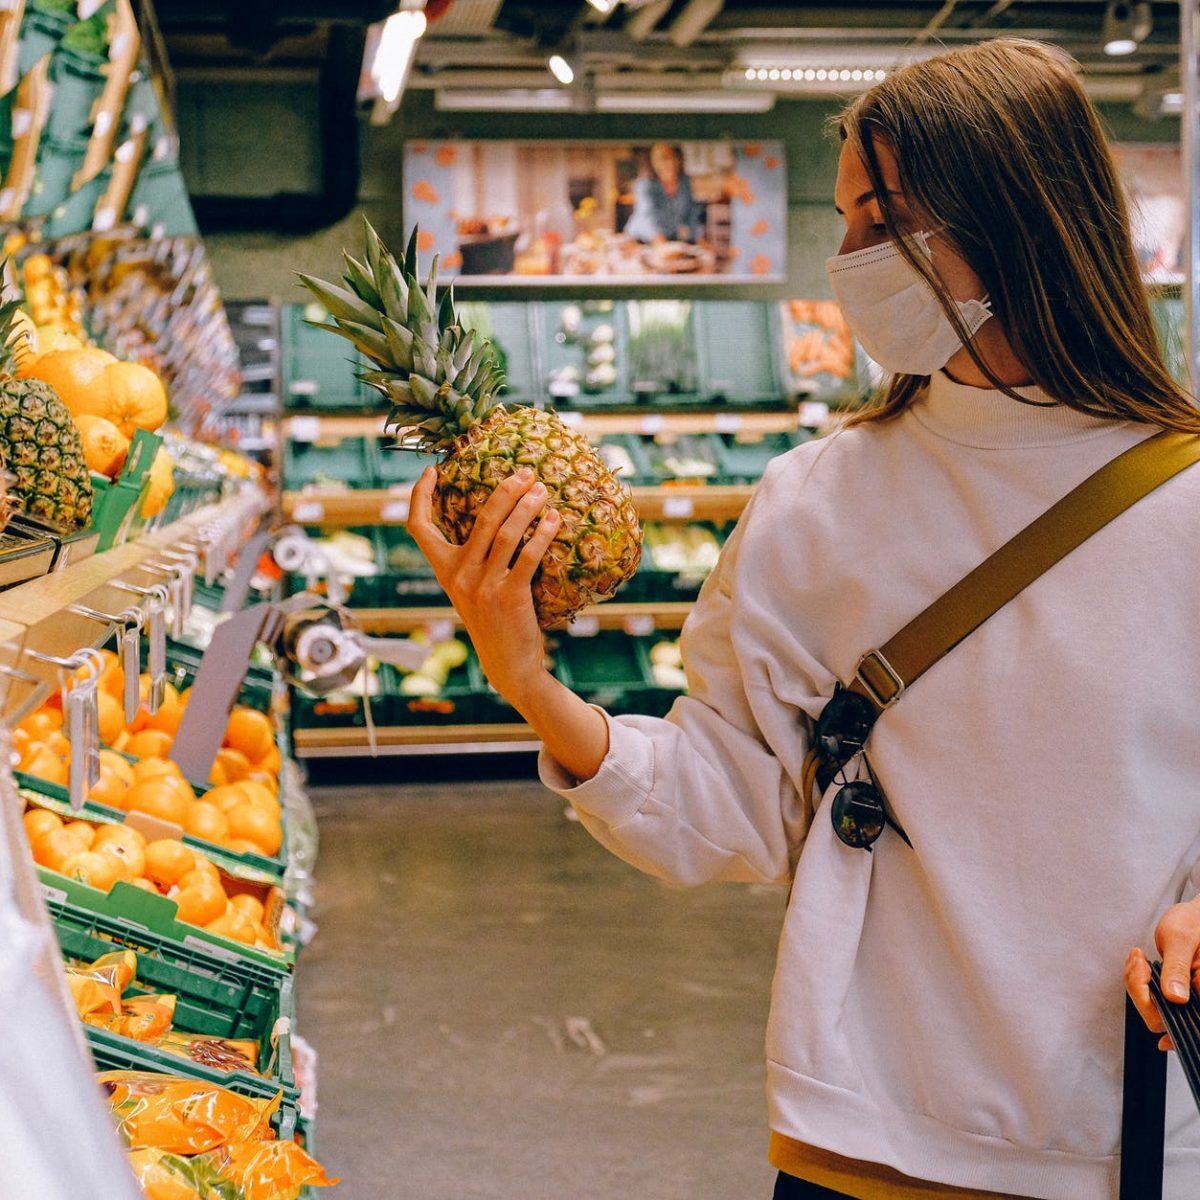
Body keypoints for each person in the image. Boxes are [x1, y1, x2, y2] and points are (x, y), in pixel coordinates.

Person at [408, 38, 1200, 1200]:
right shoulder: (817, 501)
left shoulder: (1183, 505)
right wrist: (533, 684)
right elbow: (729, 809)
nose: (845, 262)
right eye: (844, 222)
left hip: (1136, 1135)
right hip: (865, 1133)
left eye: (881, 221)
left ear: (1016, 218)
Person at [623, 142, 701, 243]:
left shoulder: (685, 183)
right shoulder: (645, 185)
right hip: (641, 240)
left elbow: (691, 214)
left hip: (669, 239)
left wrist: (699, 239)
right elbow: (648, 216)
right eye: (664, 158)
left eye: (673, 157)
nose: (670, 162)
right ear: (654, 162)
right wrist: (661, 244)